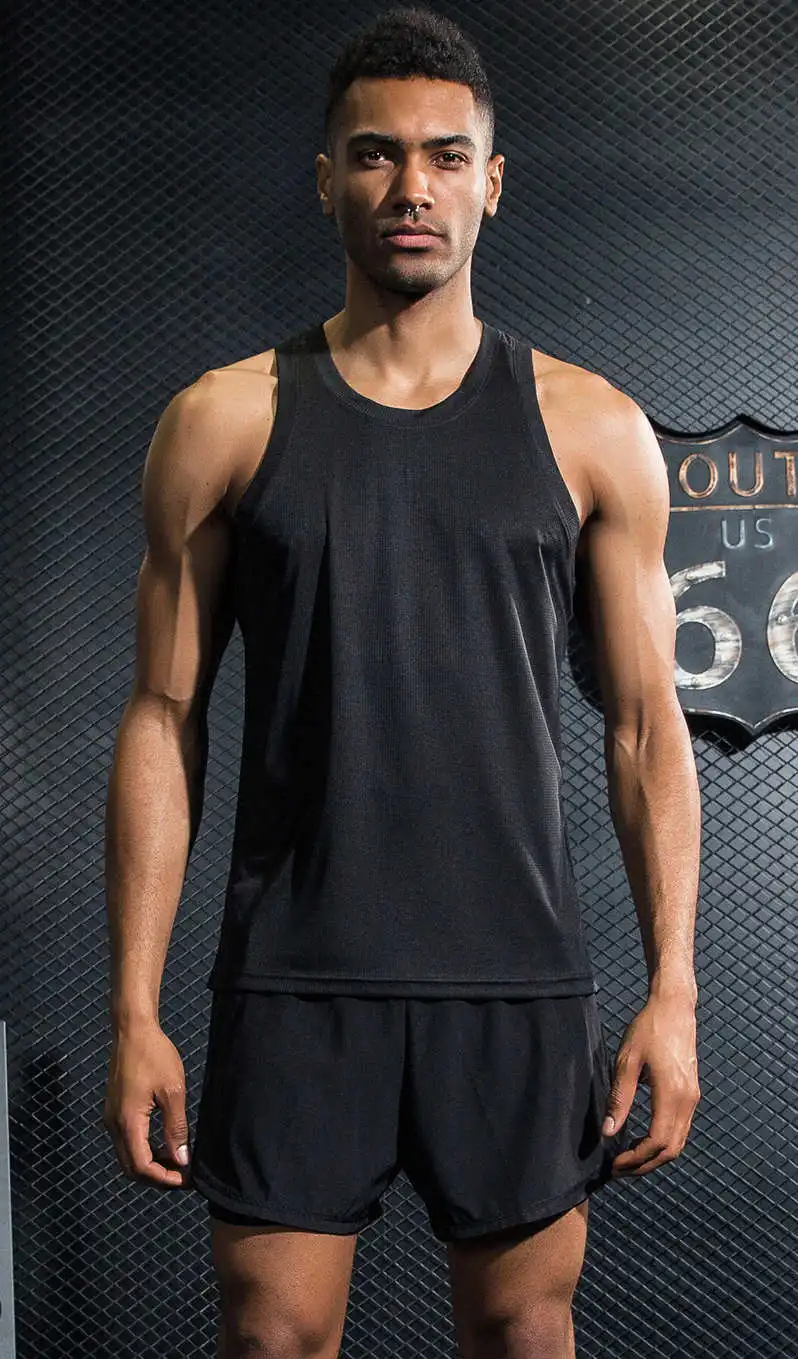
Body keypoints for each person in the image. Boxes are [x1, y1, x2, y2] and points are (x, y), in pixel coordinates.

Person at [102, 7, 701, 1357]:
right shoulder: (225, 418)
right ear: (326, 179)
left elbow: (643, 727)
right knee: (272, 1337)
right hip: (295, 975)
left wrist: (673, 990)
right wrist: (133, 1009)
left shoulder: (591, 427)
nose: (410, 186)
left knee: (525, 1329)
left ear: (493, 182)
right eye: (375, 154)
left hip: (515, 978)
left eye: (445, 156)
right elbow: (163, 719)